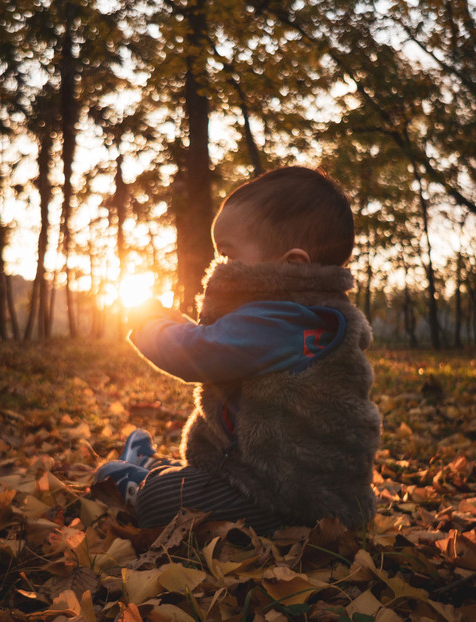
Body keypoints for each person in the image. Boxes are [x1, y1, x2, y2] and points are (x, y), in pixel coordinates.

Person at [93, 166, 381, 533]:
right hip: (320, 496)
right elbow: (216, 339)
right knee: (194, 488)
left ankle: (144, 476)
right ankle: (150, 465)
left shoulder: (279, 319)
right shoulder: (311, 316)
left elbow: (197, 352)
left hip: (283, 498)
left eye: (228, 256)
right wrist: (170, 318)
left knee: (159, 500)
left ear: (290, 264)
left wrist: (149, 323)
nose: (220, 268)